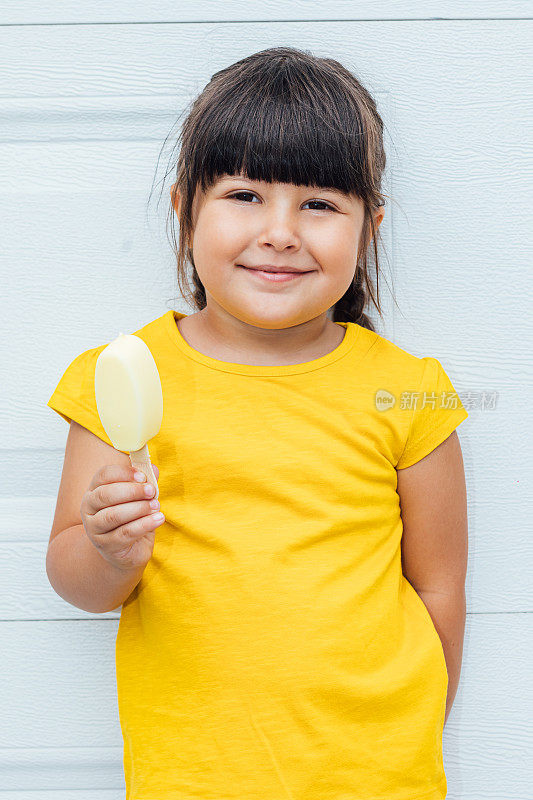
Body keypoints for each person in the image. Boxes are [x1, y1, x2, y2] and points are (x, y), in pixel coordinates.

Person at [45, 46, 469, 800]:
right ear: (184, 210)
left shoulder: (410, 393)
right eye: (244, 194)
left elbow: (437, 588)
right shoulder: (119, 377)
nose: (279, 231)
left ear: (367, 228)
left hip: (377, 773)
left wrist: (416, 730)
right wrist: (110, 551)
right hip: (195, 776)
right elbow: (77, 581)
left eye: (318, 204)